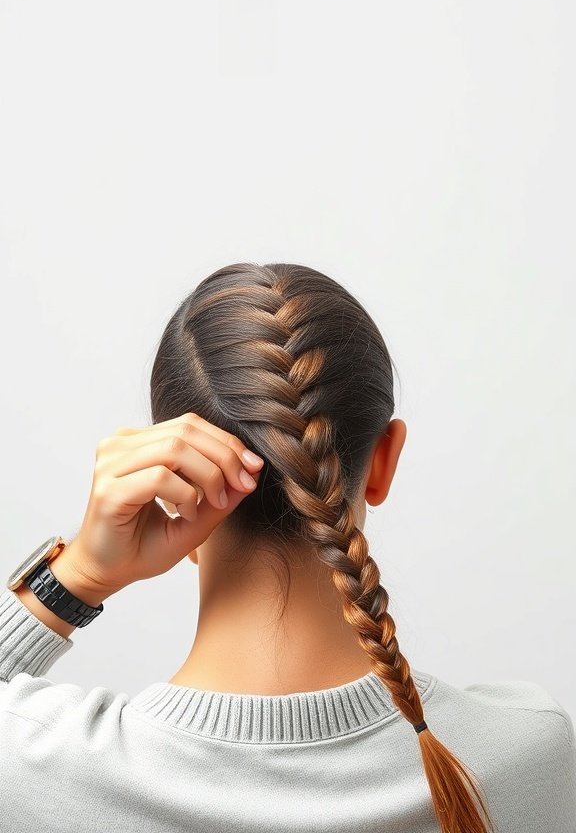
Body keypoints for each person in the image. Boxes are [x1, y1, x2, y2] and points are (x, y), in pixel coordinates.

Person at [1, 261, 574, 833]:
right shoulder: (529, 751)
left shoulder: (36, 763)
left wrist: (80, 574)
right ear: (382, 461)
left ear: (169, 479)